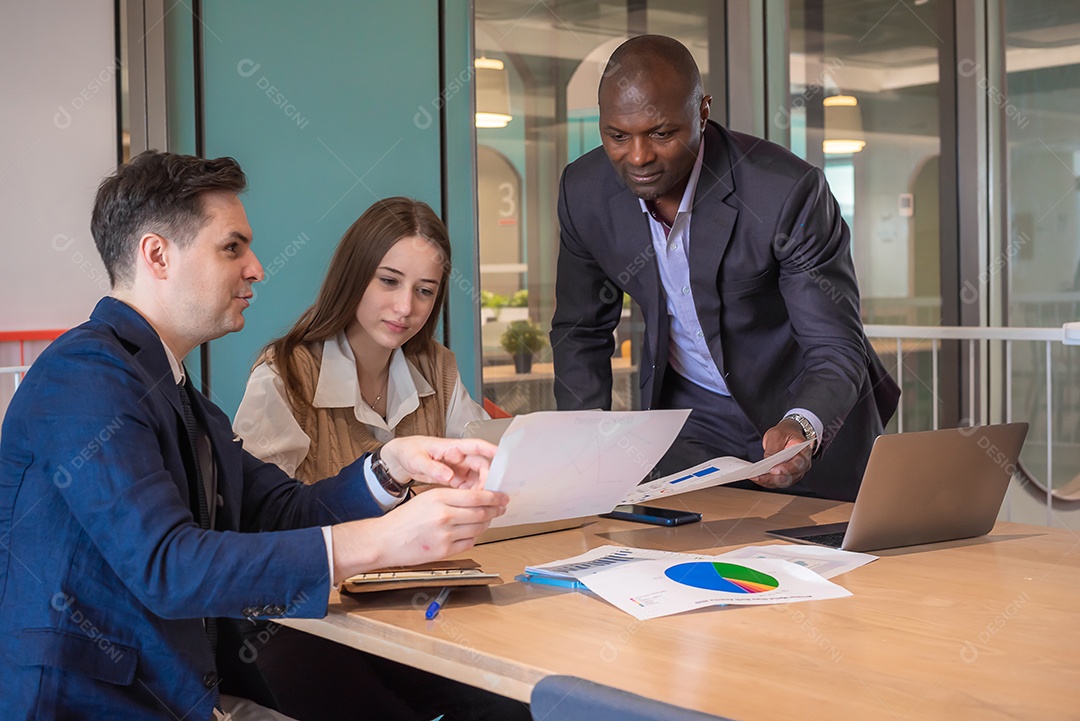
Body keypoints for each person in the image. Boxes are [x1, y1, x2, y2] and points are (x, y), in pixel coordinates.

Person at [0, 151, 517, 721]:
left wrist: (389, 465)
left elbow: (281, 508)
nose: (257, 268)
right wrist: (384, 541)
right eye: (232, 248)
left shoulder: (179, 395)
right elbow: (168, 567)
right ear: (157, 255)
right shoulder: (84, 374)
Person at [551, 35, 900, 502]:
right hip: (690, 423)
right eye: (617, 136)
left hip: (797, 416)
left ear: (702, 111)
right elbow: (580, 330)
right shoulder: (585, 190)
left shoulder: (784, 193)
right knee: (679, 564)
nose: (637, 157)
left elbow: (836, 345)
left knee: (821, 567)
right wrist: (582, 446)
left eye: (660, 133)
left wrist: (802, 425)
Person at [234, 197, 487, 484]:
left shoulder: (437, 366)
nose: (405, 307)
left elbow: (490, 465)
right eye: (389, 281)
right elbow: (260, 515)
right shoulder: (286, 374)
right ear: (354, 275)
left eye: (424, 291)